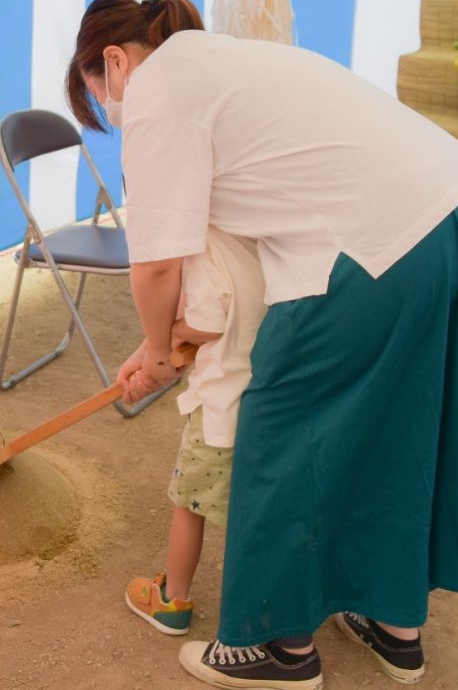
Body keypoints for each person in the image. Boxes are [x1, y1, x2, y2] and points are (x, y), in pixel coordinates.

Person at [67, 0, 458, 689]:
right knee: (398, 428)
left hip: (383, 246)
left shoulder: (160, 86)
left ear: (115, 63)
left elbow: (156, 263)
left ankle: (275, 652)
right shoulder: (230, 62)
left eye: (102, 102)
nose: (115, 118)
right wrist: (161, 343)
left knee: (279, 426)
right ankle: (393, 622)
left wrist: (158, 353)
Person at [123, 227, 266, 635]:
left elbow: (207, 324)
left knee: (188, 507)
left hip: (219, 410)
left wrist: (176, 336)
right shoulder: (256, 240)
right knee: (256, 509)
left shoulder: (205, 251)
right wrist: (148, 353)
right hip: (264, 404)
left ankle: (173, 601)